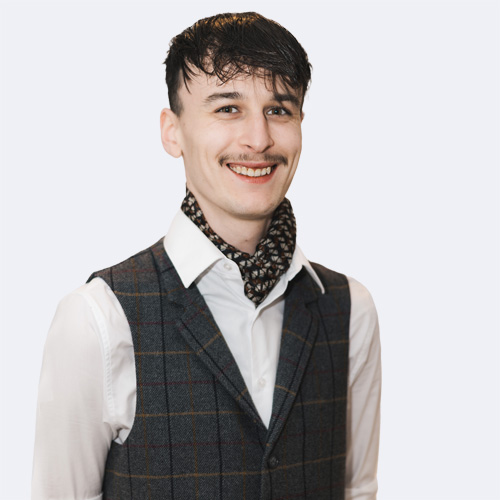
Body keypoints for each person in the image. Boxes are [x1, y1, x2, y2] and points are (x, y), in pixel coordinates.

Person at [32, 12, 381, 500]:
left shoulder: (349, 309)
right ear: (172, 131)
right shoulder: (98, 319)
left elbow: (357, 490)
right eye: (228, 108)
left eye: (279, 109)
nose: (258, 138)